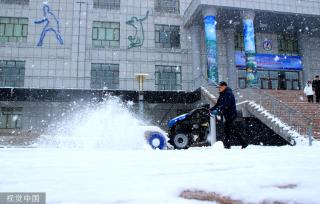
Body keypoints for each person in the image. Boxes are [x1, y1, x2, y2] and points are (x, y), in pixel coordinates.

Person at [210, 81, 248, 149]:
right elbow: (218, 104)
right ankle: (238, 144)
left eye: (220, 87)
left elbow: (226, 104)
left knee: (229, 129)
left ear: (224, 86)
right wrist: (211, 109)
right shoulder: (222, 94)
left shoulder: (228, 93)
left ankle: (233, 144)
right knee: (229, 130)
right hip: (227, 115)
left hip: (231, 114)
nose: (219, 88)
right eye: (218, 87)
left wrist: (218, 109)